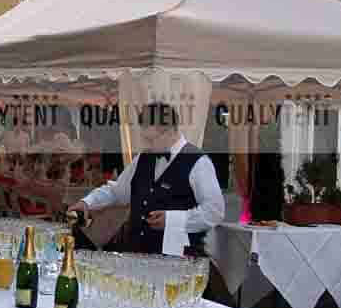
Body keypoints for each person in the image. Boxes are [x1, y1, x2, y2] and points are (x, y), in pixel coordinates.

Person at [68, 102, 224, 255]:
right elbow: (117, 192)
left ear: (170, 132)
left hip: (179, 259)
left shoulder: (198, 162)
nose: (146, 144)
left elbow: (214, 211)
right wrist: (87, 203)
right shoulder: (143, 157)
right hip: (137, 253)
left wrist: (172, 219)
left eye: (150, 139)